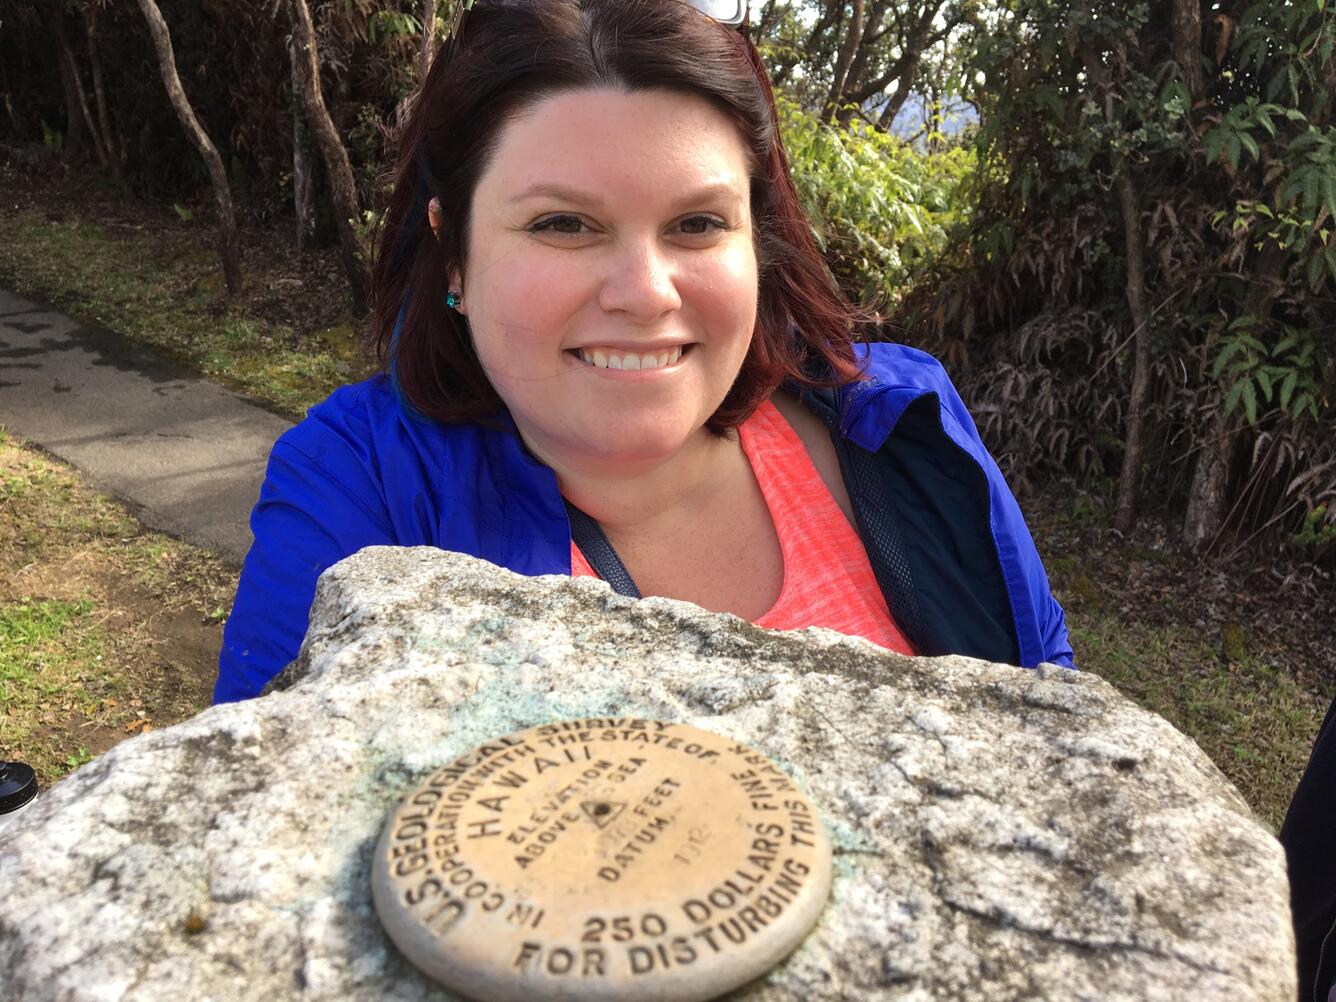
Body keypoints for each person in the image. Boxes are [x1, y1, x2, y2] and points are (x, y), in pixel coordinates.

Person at [214, 0, 1074, 705]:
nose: (645, 291)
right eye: (562, 224)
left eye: (697, 224)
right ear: (454, 254)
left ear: (756, 240)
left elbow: (1051, 711)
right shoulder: (362, 489)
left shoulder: (899, 424)